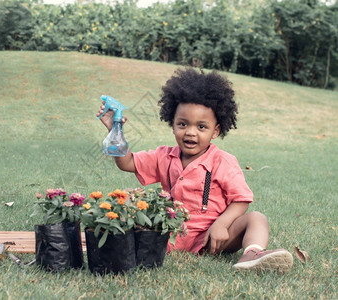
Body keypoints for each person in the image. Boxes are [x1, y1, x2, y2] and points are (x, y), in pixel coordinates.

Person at [97, 67, 293, 272]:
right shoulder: (164, 156)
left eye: (201, 127)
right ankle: (103, 236)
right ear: (172, 125)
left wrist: (221, 225)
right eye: (182, 124)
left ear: (215, 131)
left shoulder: (222, 161)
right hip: (167, 236)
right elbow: (127, 163)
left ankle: (252, 255)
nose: (190, 132)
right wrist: (115, 131)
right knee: (128, 202)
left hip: (212, 239)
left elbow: (241, 199)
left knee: (256, 218)